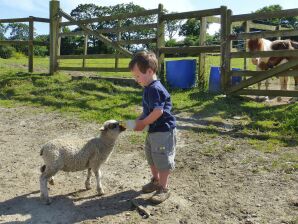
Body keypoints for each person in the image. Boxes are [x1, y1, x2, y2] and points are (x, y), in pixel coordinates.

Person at [128, 51, 176, 204]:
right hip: (154, 131)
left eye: (137, 76)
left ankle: (164, 187)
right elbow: (148, 111)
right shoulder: (148, 88)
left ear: (149, 71)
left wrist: (143, 123)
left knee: (161, 159)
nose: (136, 80)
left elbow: (158, 111)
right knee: (152, 157)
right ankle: (155, 181)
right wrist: (138, 120)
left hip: (163, 131)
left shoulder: (155, 89)